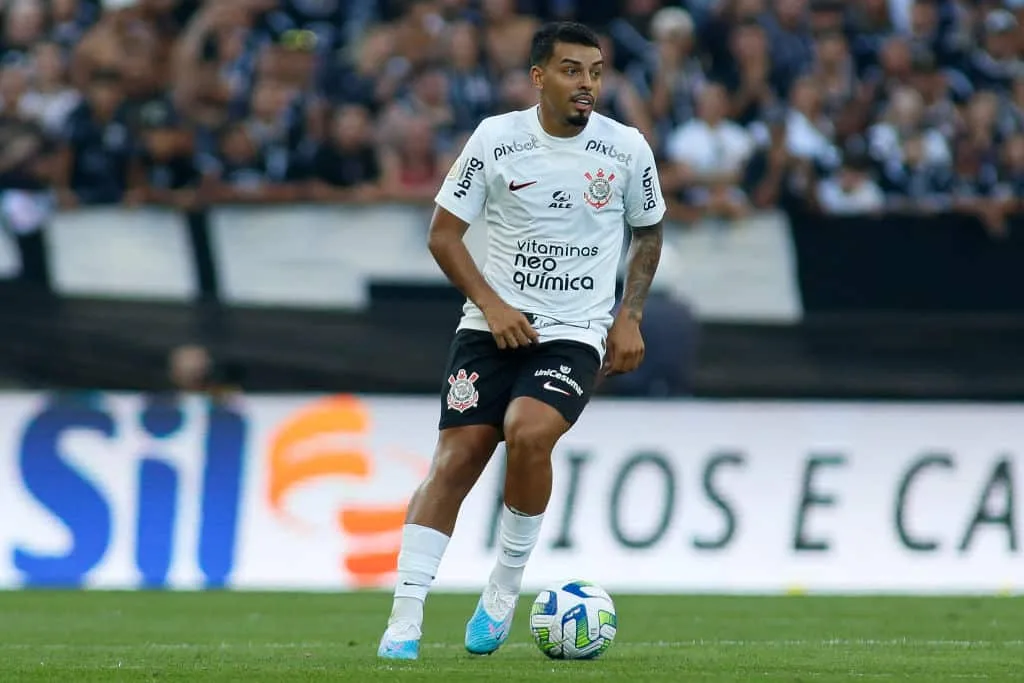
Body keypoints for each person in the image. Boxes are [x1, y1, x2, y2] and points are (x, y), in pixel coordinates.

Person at [377, 21, 666, 661]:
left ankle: (503, 589)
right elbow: (443, 235)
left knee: (529, 432)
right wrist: (493, 305)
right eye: (571, 70)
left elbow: (648, 233)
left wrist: (630, 315)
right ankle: (404, 619)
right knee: (456, 460)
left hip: (573, 332)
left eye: (594, 71)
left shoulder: (626, 149)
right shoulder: (496, 139)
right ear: (539, 77)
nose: (586, 83)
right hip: (490, 327)